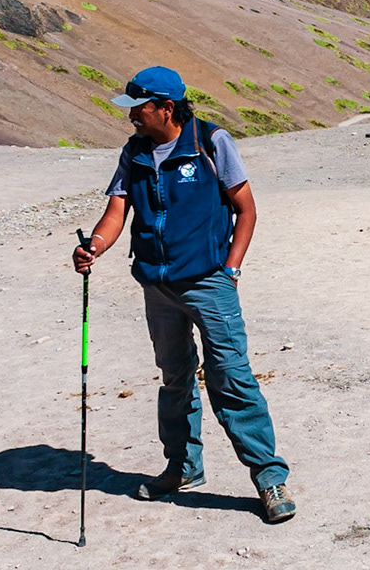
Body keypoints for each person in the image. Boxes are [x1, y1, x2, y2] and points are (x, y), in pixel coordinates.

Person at [72, 65, 294, 525]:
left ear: (166, 108)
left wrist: (230, 269)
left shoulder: (212, 143)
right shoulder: (134, 152)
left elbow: (246, 209)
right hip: (157, 285)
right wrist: (94, 245)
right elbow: (117, 210)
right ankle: (183, 467)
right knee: (175, 379)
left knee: (231, 378)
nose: (130, 116)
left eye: (138, 108)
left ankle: (269, 478)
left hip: (209, 282)